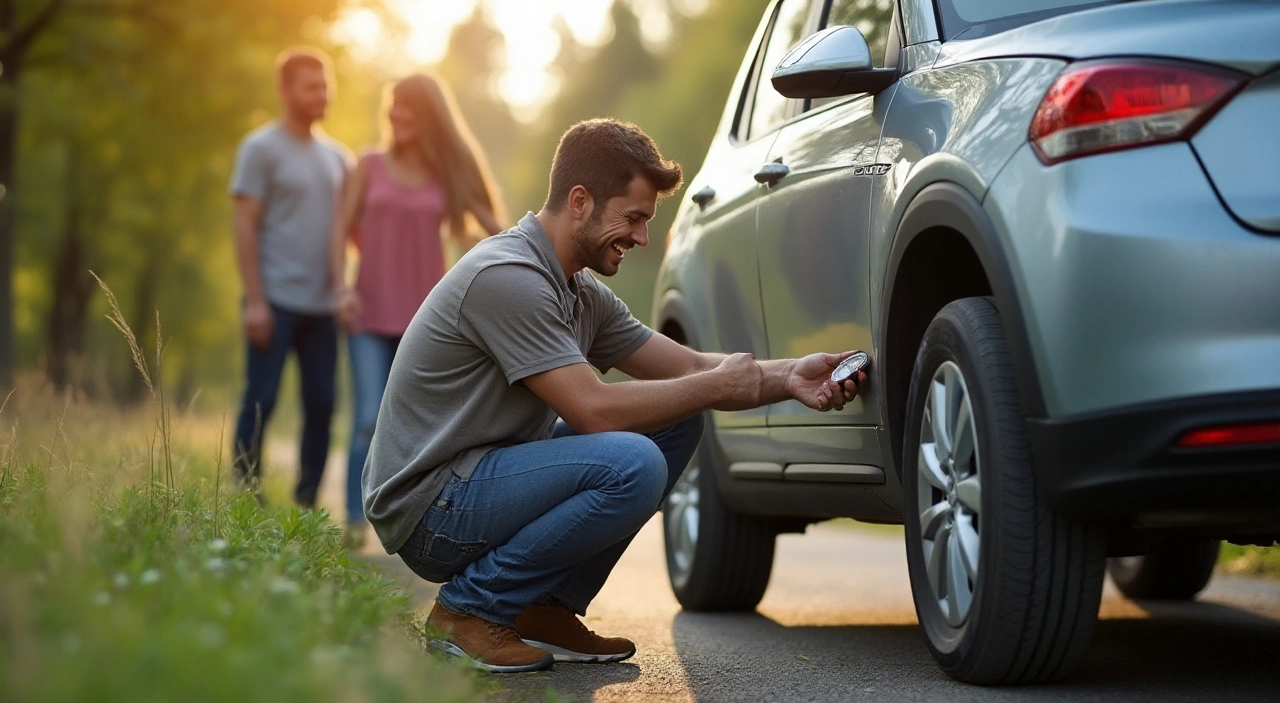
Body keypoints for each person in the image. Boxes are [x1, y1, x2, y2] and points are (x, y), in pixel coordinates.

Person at [362, 119, 866, 673]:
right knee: (632, 463)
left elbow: (694, 367)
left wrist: (792, 375)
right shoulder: (507, 276)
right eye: (633, 218)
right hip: (432, 507)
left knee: (677, 420)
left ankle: (538, 606)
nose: (643, 237)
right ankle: (468, 612)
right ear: (580, 201)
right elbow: (592, 409)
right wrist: (715, 385)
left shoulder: (578, 291)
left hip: (478, 479)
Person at [330, 73, 503, 546]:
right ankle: (352, 518)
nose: (397, 116)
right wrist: (341, 289)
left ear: (428, 118)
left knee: (415, 425)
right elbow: (338, 230)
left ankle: (408, 518)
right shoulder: (367, 165)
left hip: (427, 324)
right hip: (367, 313)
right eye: (393, 106)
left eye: (408, 108)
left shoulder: (448, 176)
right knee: (368, 415)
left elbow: (496, 230)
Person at [229, 47, 352, 507]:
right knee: (260, 401)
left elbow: (351, 233)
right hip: (274, 300)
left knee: (322, 407)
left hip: (323, 308)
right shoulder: (260, 149)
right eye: (311, 86)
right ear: (286, 91)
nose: (322, 94)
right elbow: (244, 225)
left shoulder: (340, 158)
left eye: (326, 85)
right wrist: (255, 300)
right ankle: (245, 497)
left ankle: (306, 505)